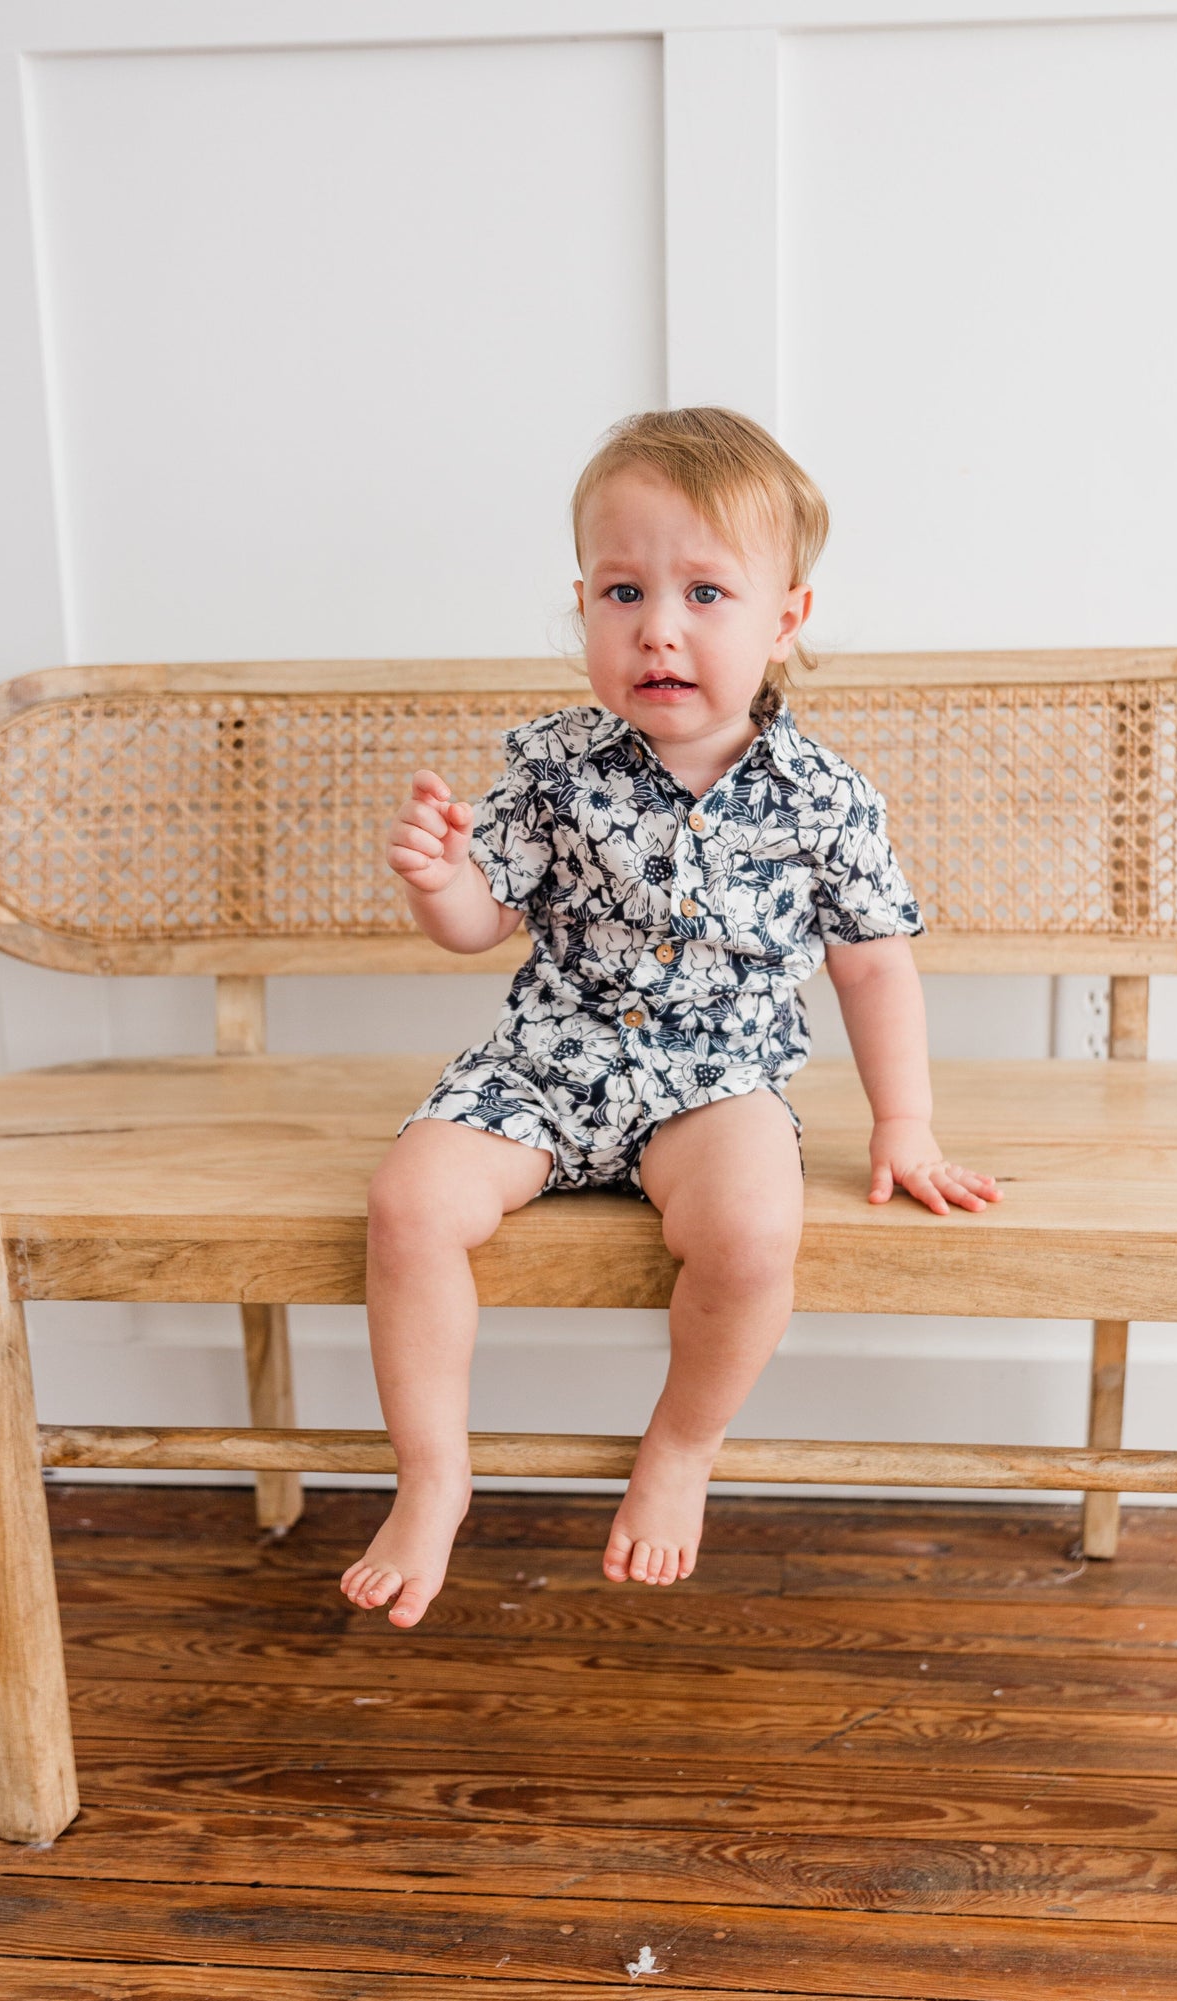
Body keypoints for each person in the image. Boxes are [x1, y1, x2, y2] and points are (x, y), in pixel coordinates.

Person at [341, 407, 1001, 1630]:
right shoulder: (552, 763)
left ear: (783, 618)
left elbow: (871, 967)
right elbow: (486, 919)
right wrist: (442, 881)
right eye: (622, 589)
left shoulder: (823, 798)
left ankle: (681, 1446)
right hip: (547, 1058)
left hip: (716, 1081)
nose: (658, 626)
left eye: (705, 592)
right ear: (582, 604)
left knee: (753, 1237)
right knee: (407, 1205)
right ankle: (433, 1471)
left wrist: (903, 1124)